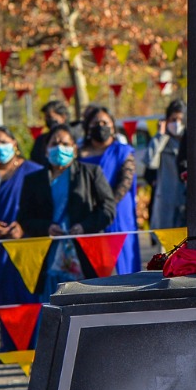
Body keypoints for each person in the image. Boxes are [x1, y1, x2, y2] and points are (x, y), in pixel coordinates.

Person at [19, 127, 118, 293]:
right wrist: (47, 227)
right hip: (48, 257)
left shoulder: (91, 173)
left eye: (65, 143)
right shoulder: (33, 180)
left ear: (74, 149)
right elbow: (24, 218)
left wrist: (84, 227)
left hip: (87, 254)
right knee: (52, 303)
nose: (60, 147)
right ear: (46, 150)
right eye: (54, 143)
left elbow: (108, 209)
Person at [0, 127, 43, 308]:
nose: (0, 147)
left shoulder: (34, 172)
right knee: (3, 302)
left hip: (28, 245)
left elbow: (46, 208)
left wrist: (24, 227)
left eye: (4, 142)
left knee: (32, 300)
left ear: (14, 144)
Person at [77, 105, 140, 274]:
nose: (100, 126)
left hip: (118, 215)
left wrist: (107, 206)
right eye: (95, 123)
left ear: (113, 126)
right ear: (88, 127)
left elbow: (125, 182)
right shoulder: (79, 154)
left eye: (105, 122)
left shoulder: (123, 151)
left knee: (123, 265)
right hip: (87, 216)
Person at [144, 100, 187, 230]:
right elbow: (150, 161)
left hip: (186, 199)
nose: (177, 123)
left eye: (180, 119)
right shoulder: (162, 140)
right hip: (166, 200)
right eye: (173, 119)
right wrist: (160, 136)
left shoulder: (191, 140)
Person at [28, 99, 73, 165]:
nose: (47, 120)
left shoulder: (75, 136)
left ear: (63, 117)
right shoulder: (41, 140)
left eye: (50, 117)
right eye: (54, 144)